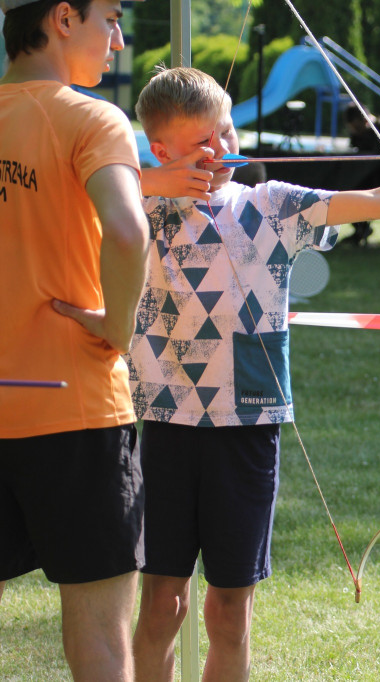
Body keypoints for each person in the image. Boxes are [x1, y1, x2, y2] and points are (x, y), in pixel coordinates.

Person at [126, 66, 380, 681]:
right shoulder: (139, 208)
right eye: (202, 141)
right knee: (161, 605)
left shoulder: (268, 206)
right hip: (164, 424)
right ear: (160, 148)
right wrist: (150, 181)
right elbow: (66, 193)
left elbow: (376, 201)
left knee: (229, 611)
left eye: (227, 132)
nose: (222, 149)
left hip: (247, 425)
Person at [0, 0, 150, 679]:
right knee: (99, 640)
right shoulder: (91, 116)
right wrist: (119, 327)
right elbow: (126, 231)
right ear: (63, 17)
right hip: (75, 406)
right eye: (111, 18)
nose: (118, 39)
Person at [341, 102, 380, 246]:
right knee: (347, 189)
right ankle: (360, 229)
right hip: (364, 177)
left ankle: (361, 229)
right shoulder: (358, 133)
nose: (355, 130)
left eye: (357, 126)